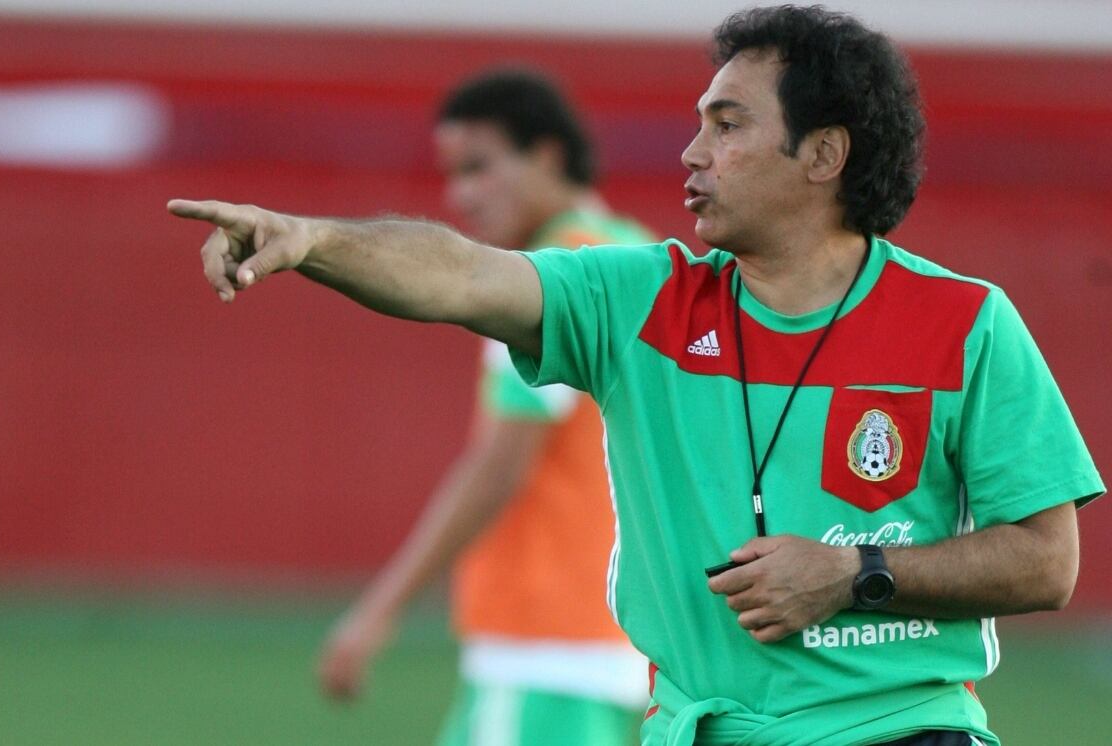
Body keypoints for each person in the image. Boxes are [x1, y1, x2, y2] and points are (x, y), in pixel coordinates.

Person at [170, 6, 1103, 745]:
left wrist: (854, 573)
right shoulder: (640, 299)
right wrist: (315, 240)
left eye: (727, 124)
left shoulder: (966, 323)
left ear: (824, 153)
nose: (694, 153)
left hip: (902, 732)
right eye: (698, 123)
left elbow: (1047, 561)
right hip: (690, 728)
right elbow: (459, 271)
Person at [315, 70, 654, 744]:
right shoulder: (635, 250)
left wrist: (378, 611)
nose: (460, 193)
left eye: (480, 167)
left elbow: (500, 467)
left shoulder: (550, 278)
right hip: (627, 642)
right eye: (453, 172)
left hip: (542, 640)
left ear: (548, 156)